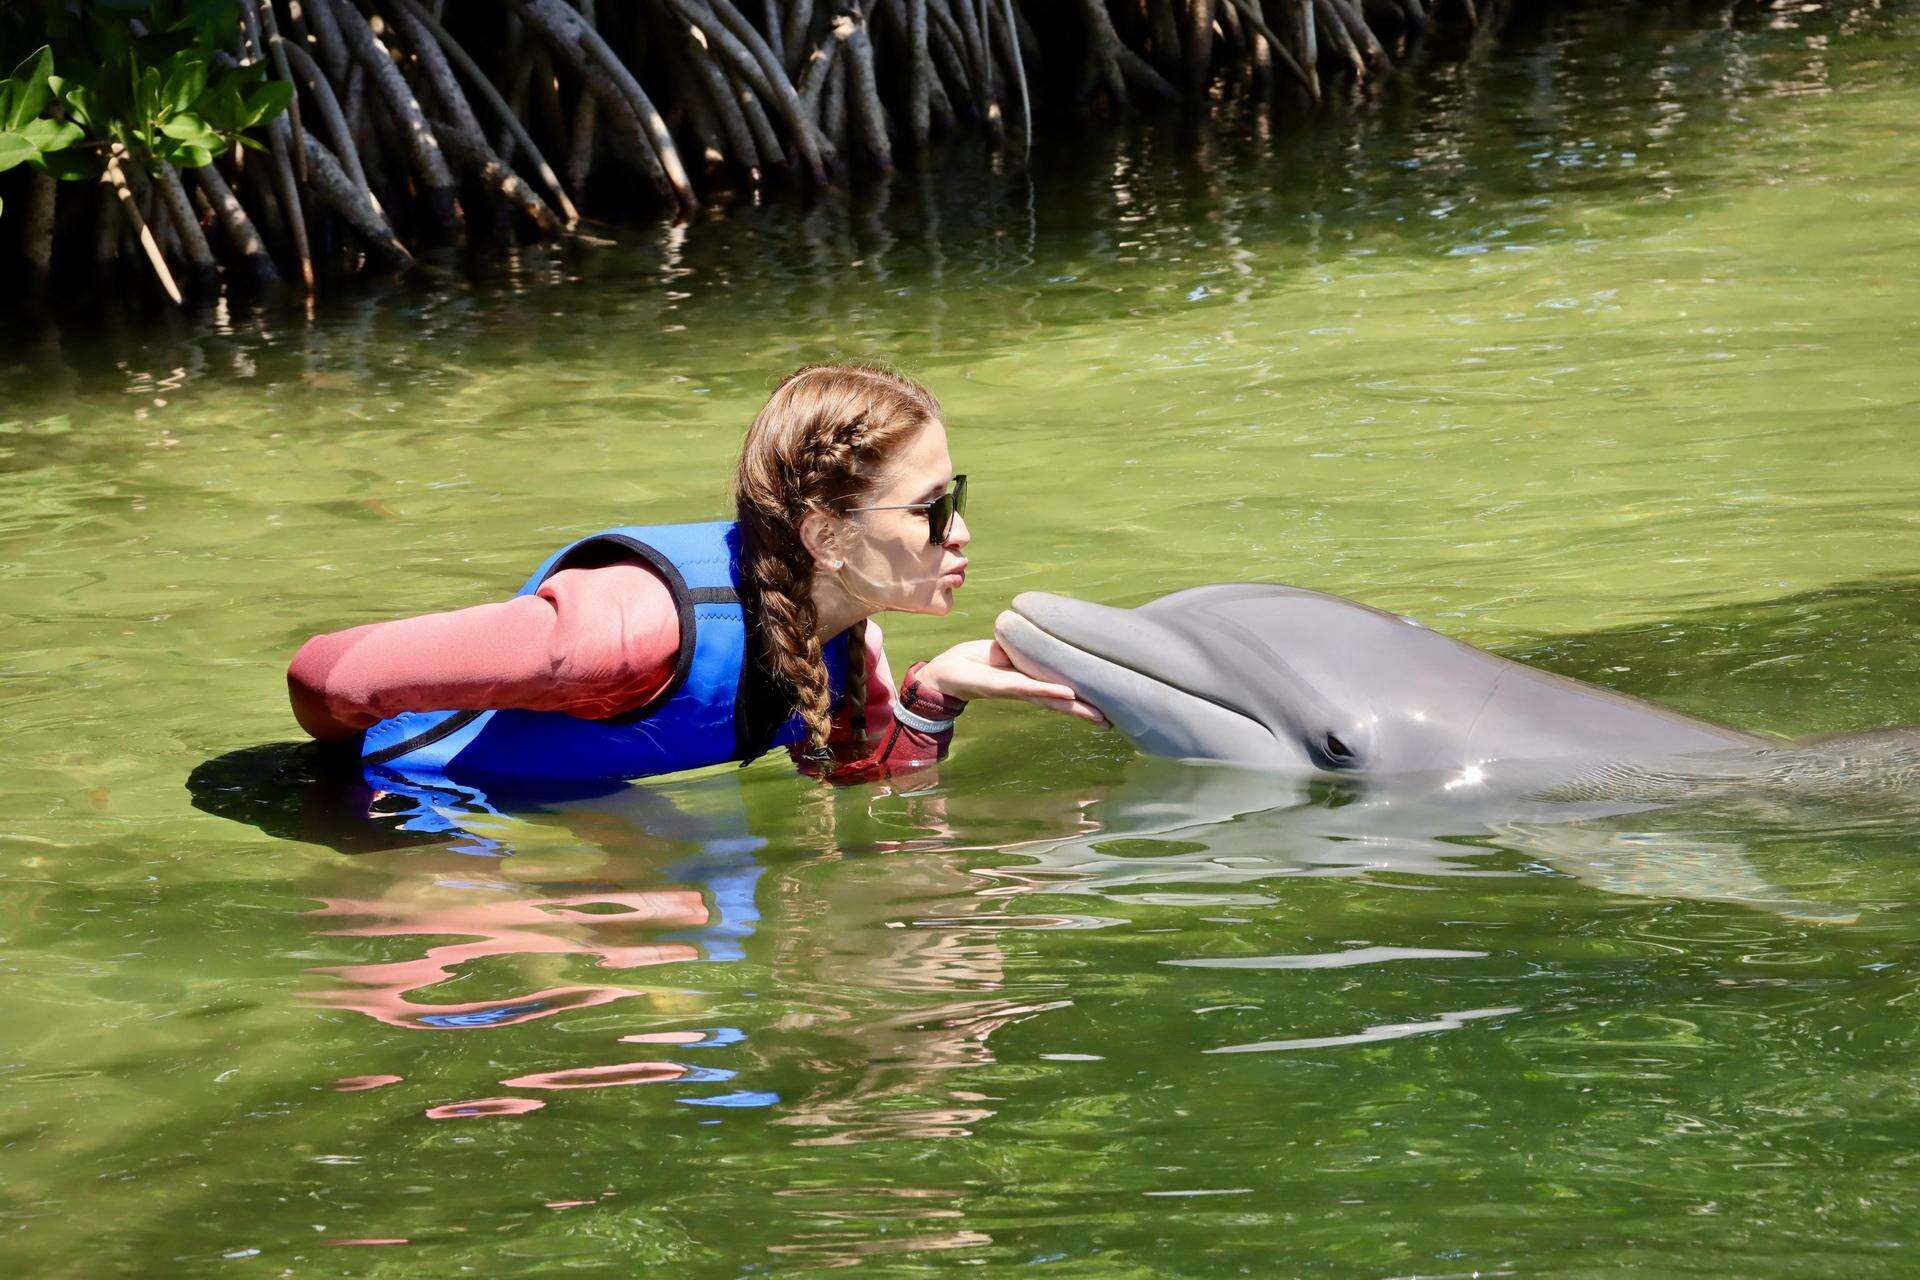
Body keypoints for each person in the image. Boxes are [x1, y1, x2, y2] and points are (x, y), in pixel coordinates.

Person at [287, 361, 1107, 785]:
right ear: (825, 535)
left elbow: (868, 780)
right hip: (394, 812)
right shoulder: (627, 631)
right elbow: (330, 677)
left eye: (954, 496)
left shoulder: (839, 642)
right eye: (931, 506)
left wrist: (939, 692)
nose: (959, 533)